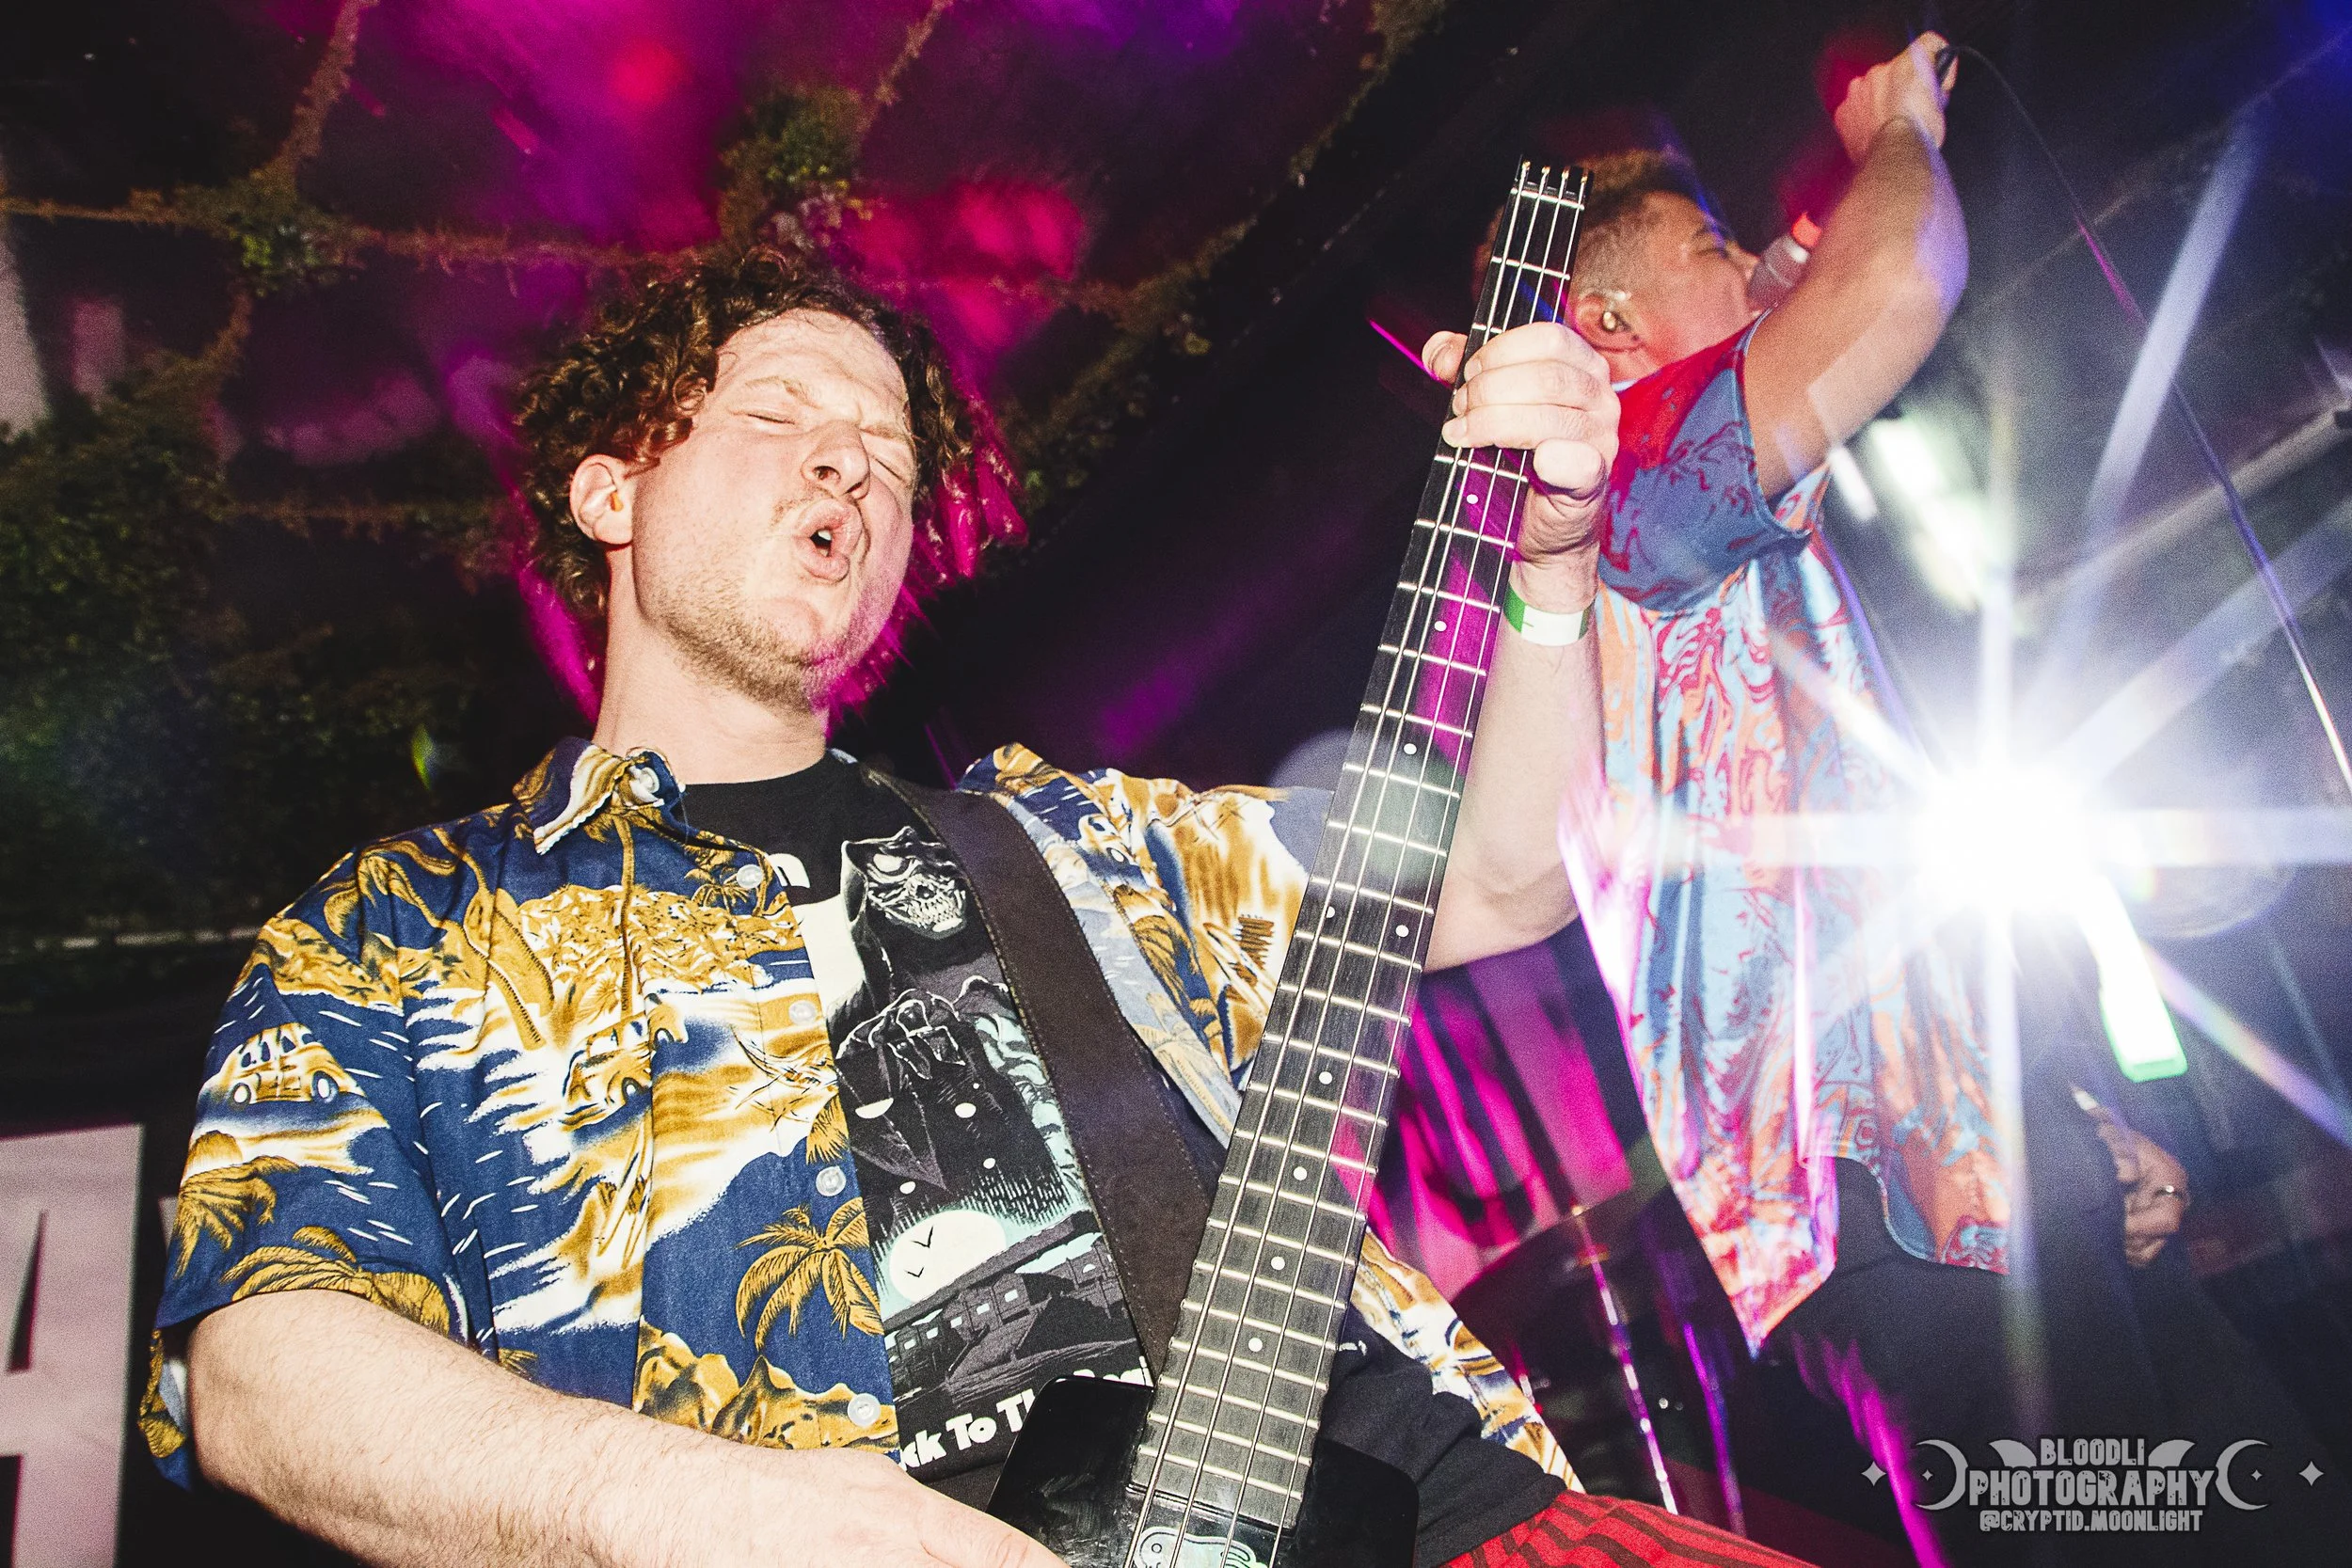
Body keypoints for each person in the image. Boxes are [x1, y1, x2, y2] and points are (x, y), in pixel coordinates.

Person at [141, 245, 1811, 1568]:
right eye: (784, 410)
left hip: (1428, 1504)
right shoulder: (406, 923)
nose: (850, 468)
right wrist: (739, 1520)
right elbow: (268, 1375)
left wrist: (1551, 560)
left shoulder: (1086, 837)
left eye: (886, 450)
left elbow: (1505, 868)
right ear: (611, 494)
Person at [1552, 32, 2347, 1565]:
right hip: (1867, 1202)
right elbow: (1890, 292)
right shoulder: (1632, 484)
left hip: (1955, 1145)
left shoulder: (1707, 514)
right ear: (1610, 320)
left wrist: (2063, 1117)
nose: (1757, 272)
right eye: (1712, 252)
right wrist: (1895, 134)